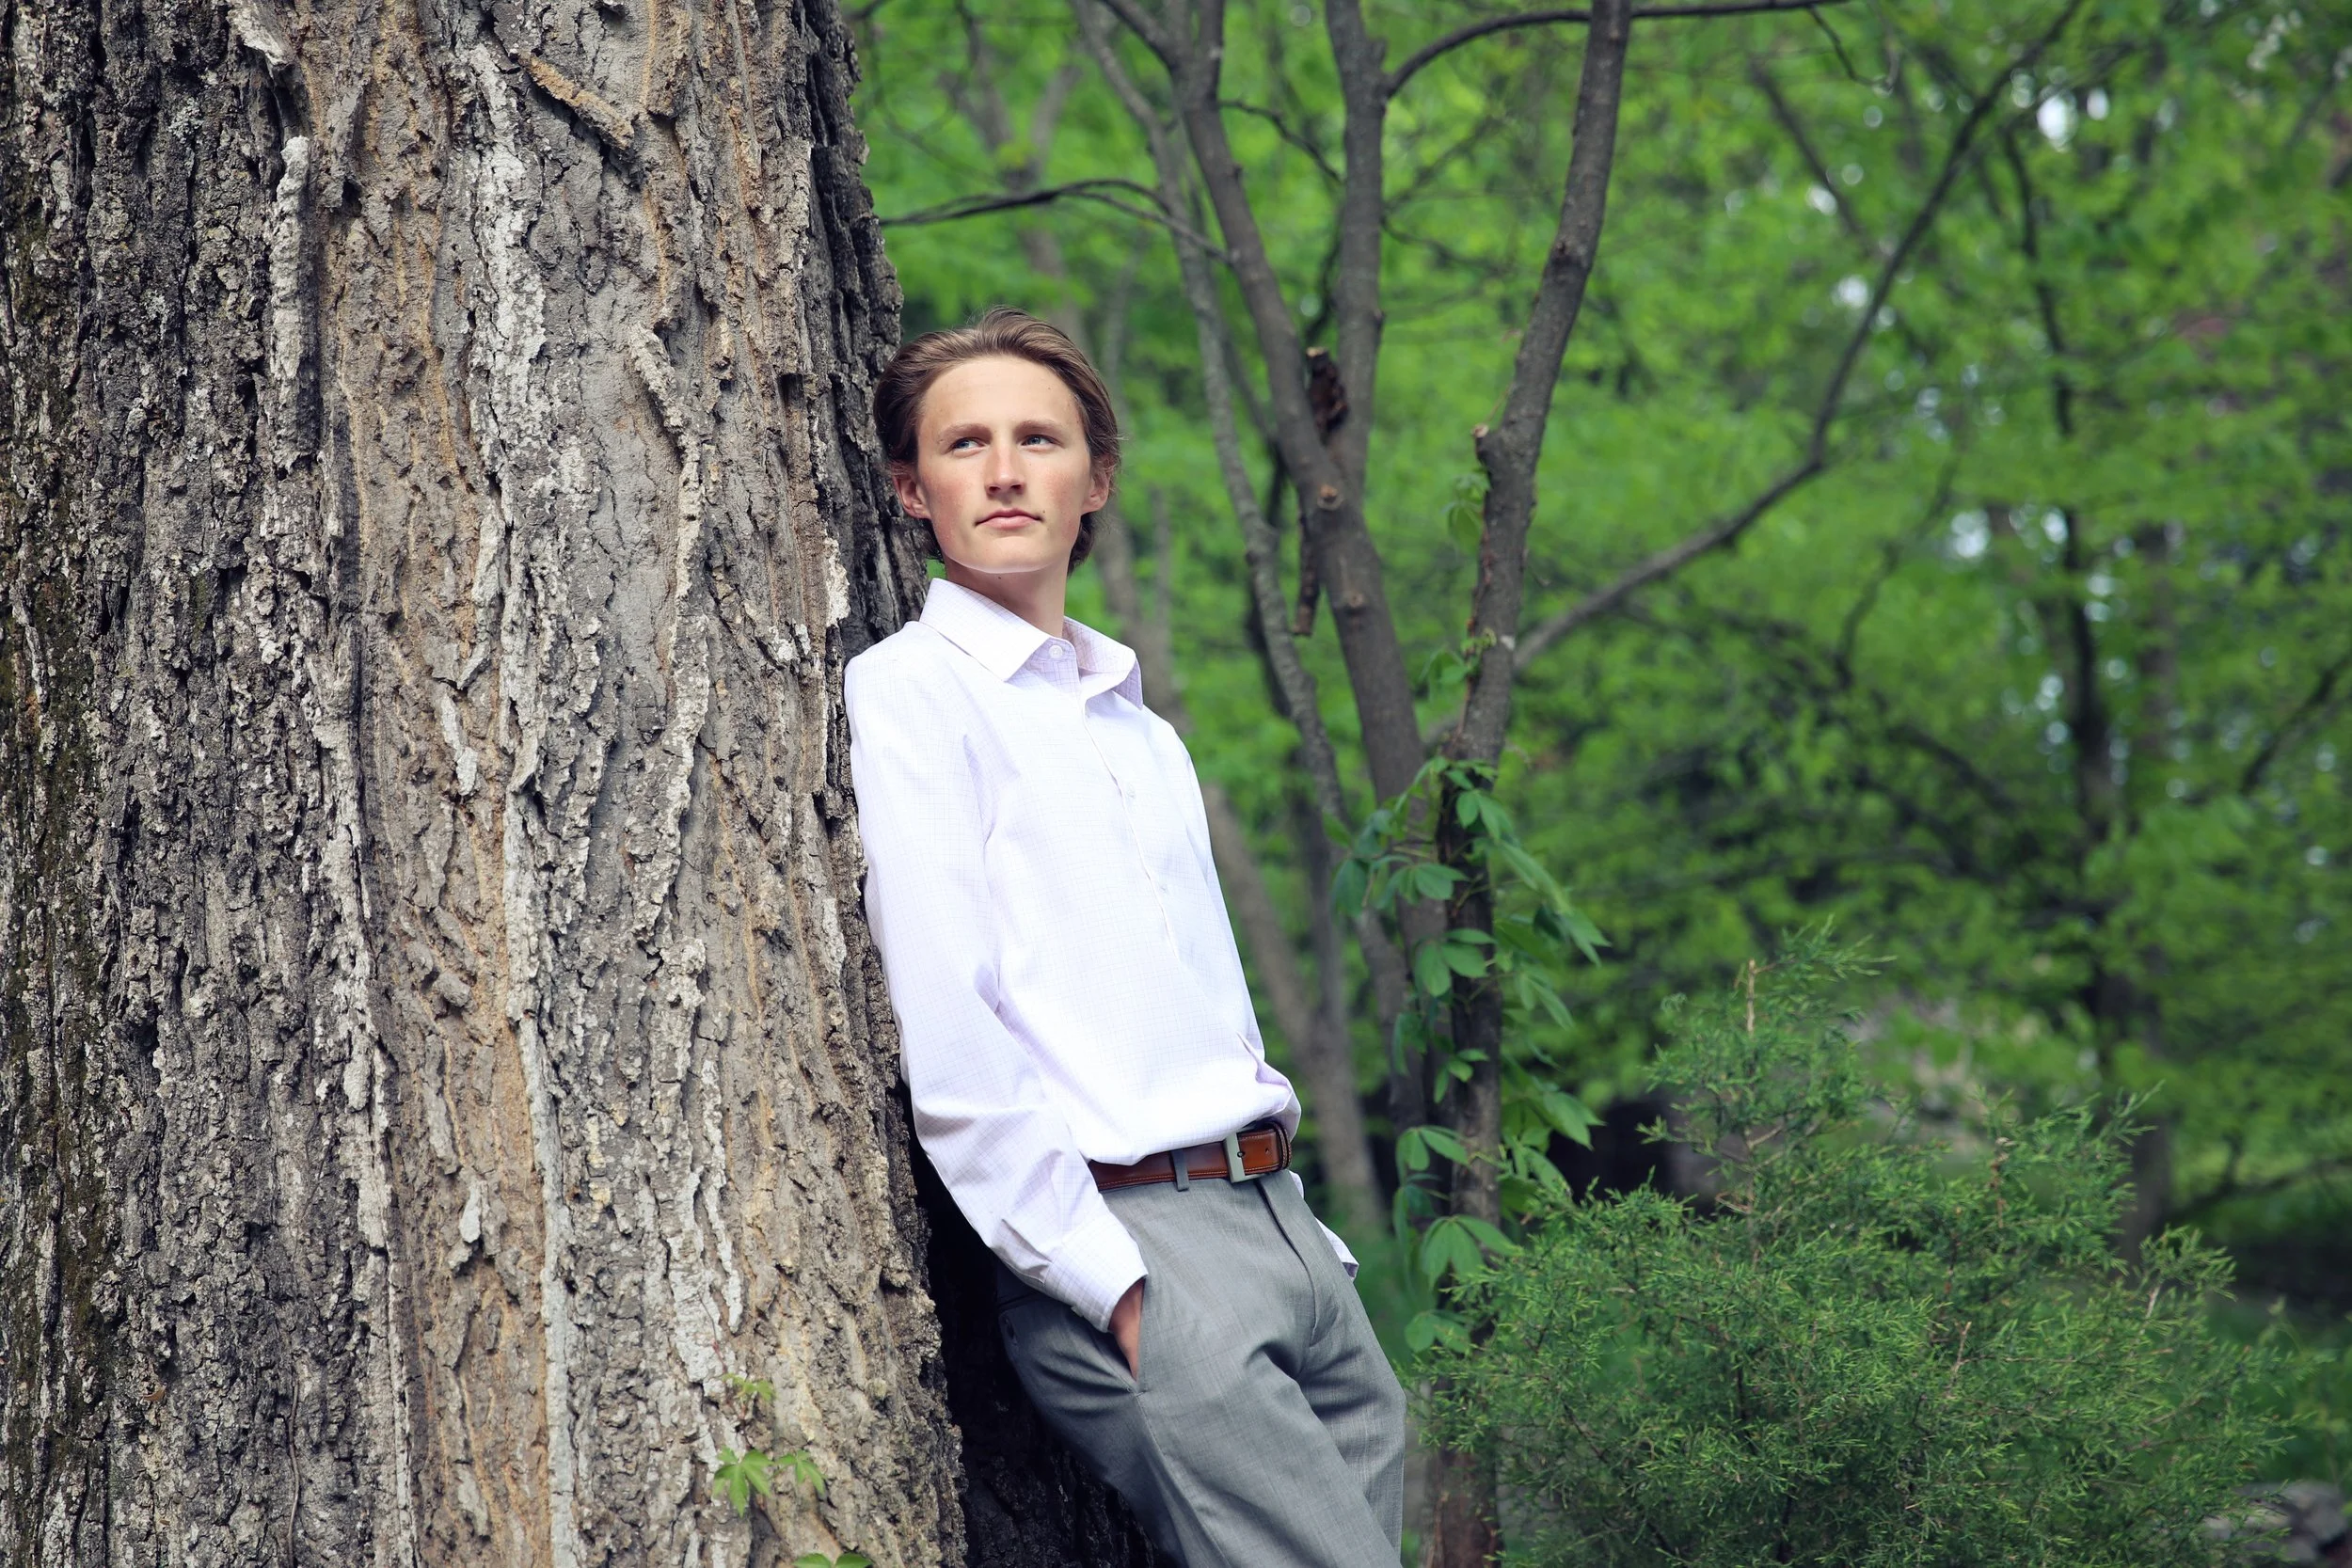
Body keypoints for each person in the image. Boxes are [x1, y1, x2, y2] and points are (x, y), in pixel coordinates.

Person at [844, 308, 1407, 1566]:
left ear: (1092, 479)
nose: (1001, 469)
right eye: (964, 443)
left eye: (1037, 438)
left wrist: (1309, 1240)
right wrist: (1114, 1284)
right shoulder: (913, 692)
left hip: (1286, 1231)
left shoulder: (1138, 730)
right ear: (908, 486)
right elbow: (951, 1027)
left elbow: (1207, 995)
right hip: (1134, 1245)